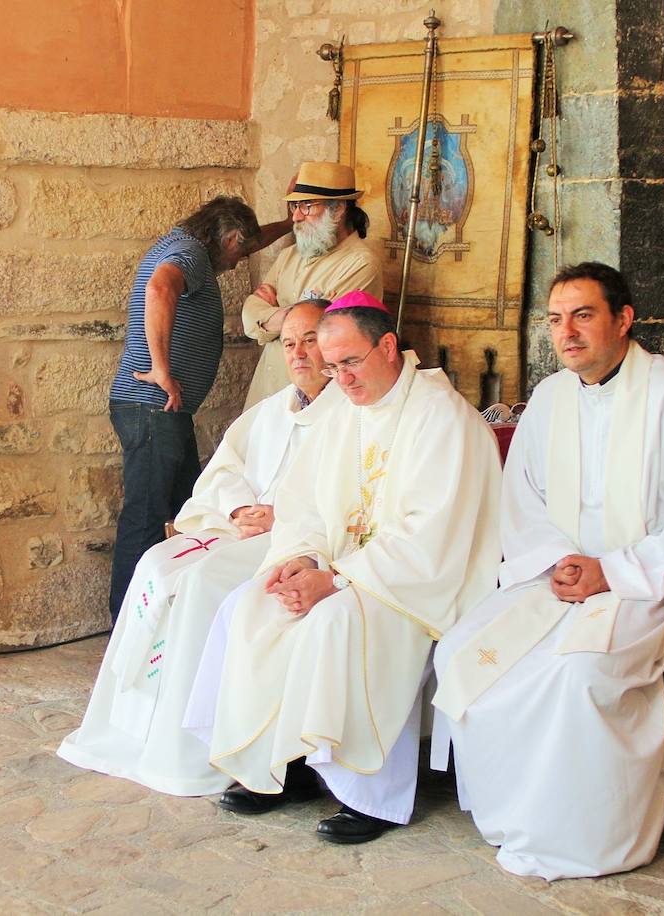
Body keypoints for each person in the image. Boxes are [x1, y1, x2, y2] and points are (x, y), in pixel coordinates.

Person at [430, 262, 664, 880]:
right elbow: (521, 498)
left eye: (583, 315)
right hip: (563, 574)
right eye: (555, 319)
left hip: (658, 585)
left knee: (578, 676)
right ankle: (514, 815)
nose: (566, 333)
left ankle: (589, 837)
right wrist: (558, 563)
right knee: (465, 652)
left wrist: (613, 571)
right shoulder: (549, 398)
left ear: (624, 319)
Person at [183, 290, 502, 844]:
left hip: (414, 583)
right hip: (339, 568)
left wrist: (332, 580)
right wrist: (301, 558)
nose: (342, 381)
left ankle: (371, 795)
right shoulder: (342, 415)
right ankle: (284, 769)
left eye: (350, 362)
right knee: (250, 604)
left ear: (387, 346)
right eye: (332, 368)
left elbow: (431, 535)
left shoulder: (441, 417)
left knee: (336, 622)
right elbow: (302, 504)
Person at [60, 298, 334, 795]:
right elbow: (224, 469)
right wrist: (234, 509)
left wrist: (282, 518)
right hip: (240, 529)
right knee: (155, 562)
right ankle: (134, 726)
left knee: (203, 582)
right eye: (289, 343)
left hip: (295, 540)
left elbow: (344, 495)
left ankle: (192, 746)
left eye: (310, 340)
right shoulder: (271, 411)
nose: (297, 354)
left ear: (335, 344)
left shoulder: (348, 416)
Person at [107, 196, 292, 621]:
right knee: (149, 514)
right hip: (153, 405)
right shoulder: (188, 253)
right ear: (227, 237)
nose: (238, 262)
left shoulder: (190, 244)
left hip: (164, 411)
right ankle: (127, 624)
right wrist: (160, 368)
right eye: (240, 252)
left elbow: (255, 237)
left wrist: (288, 222)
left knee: (190, 508)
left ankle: (170, 617)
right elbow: (160, 287)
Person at [241, 161, 382, 408]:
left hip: (314, 402)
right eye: (295, 206)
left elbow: (324, 330)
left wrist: (273, 315)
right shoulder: (289, 256)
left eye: (306, 206)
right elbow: (249, 318)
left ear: (337, 209)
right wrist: (296, 312)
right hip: (266, 394)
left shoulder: (361, 264)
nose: (295, 217)